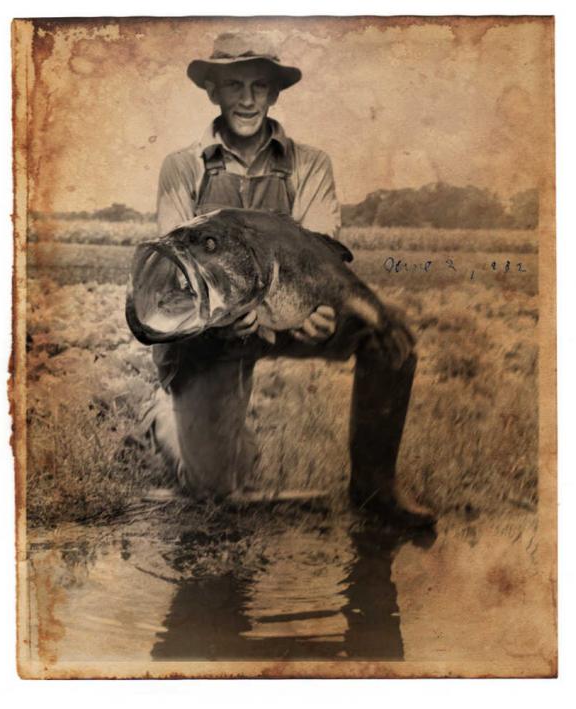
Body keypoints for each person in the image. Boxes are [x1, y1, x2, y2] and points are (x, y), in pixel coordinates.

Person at [148, 31, 434, 528]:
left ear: (274, 93)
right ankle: (163, 421)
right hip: (211, 333)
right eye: (233, 84)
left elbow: (319, 259)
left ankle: (375, 489)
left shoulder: (310, 164)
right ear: (212, 92)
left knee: (393, 335)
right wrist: (229, 320)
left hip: (286, 308)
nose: (246, 99)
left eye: (258, 86)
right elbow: (179, 271)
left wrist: (317, 313)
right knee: (215, 491)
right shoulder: (181, 168)